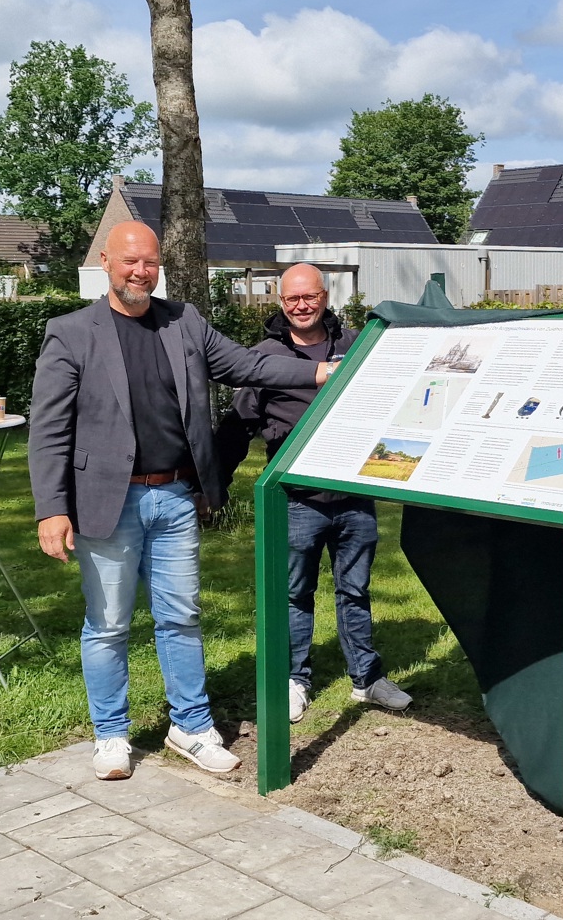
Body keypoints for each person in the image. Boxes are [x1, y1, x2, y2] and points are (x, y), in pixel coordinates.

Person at [31, 222, 335, 781]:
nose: (140, 272)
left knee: (181, 618)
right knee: (108, 624)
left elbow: (250, 365)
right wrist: (52, 508)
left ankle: (191, 727)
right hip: (107, 501)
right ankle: (111, 735)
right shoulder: (71, 333)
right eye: (129, 262)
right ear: (106, 262)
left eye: (149, 262)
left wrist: (319, 371)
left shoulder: (183, 322)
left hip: (174, 496)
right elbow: (49, 430)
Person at [222, 263, 412, 725]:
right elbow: (236, 426)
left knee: (355, 589)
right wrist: (215, 482)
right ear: (280, 302)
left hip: (353, 495)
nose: (301, 306)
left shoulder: (354, 346)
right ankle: (294, 679)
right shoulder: (264, 357)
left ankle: (366, 679)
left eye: (309, 297)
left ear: (325, 296)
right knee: (294, 592)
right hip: (296, 499)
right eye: (291, 299)